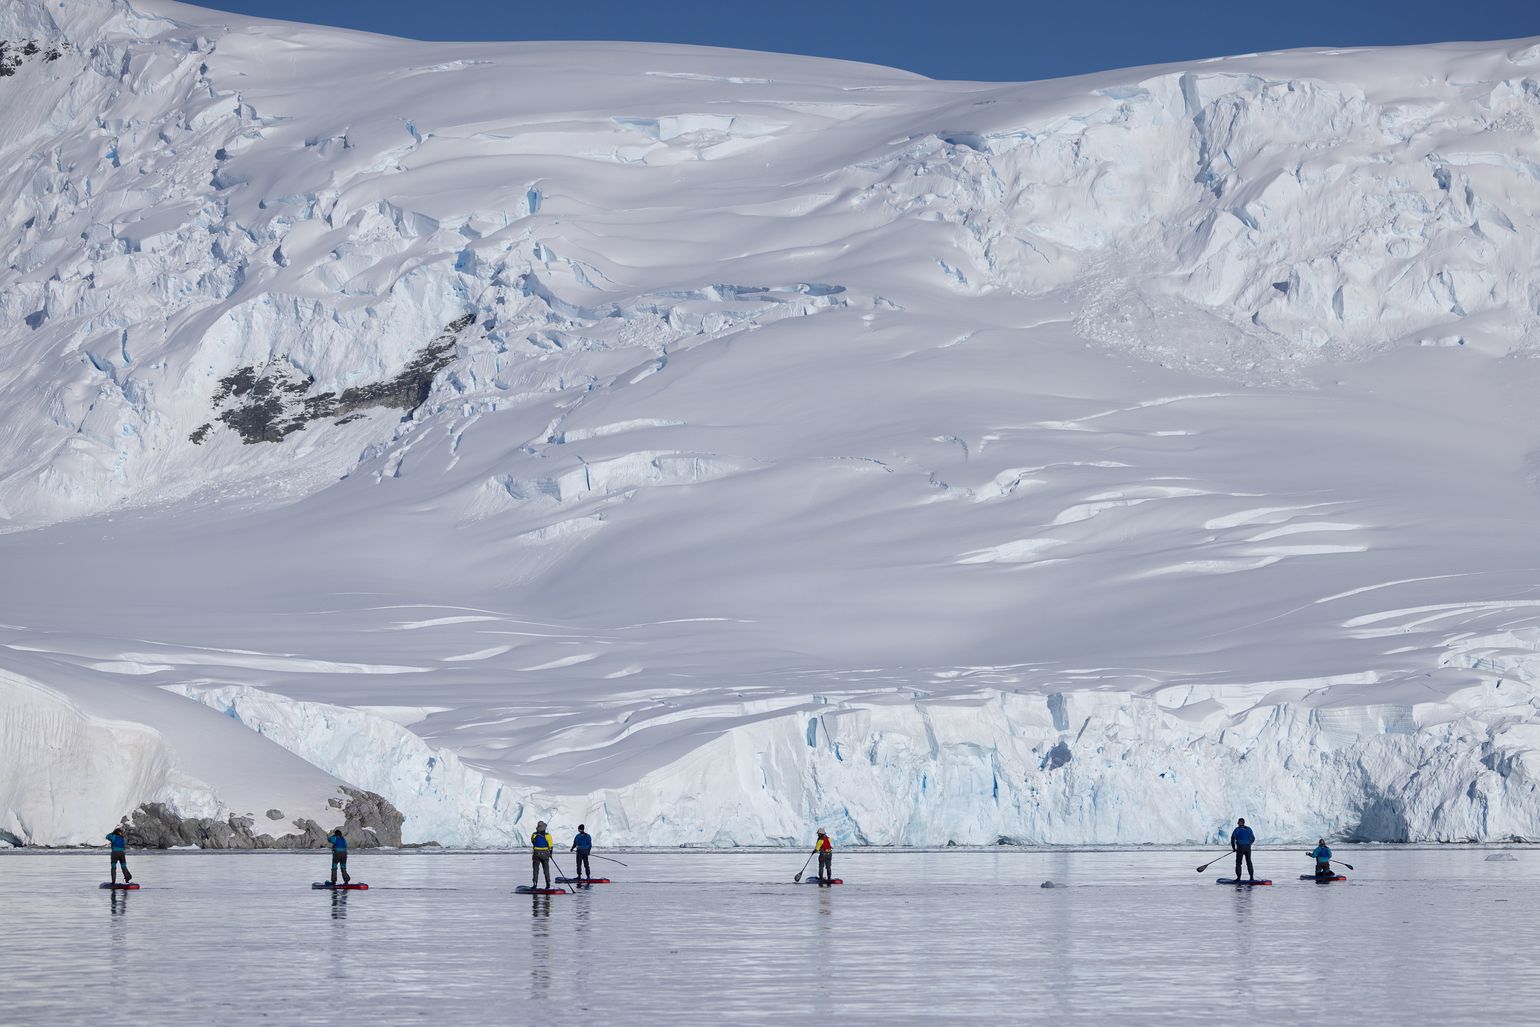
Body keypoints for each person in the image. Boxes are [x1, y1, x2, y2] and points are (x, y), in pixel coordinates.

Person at [531, 820, 554, 889]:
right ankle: (548, 884)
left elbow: (533, 841)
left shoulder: (534, 834)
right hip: (545, 854)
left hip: (536, 854)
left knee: (536, 870)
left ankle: (535, 884)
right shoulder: (548, 835)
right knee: (546, 869)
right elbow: (551, 846)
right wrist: (550, 854)